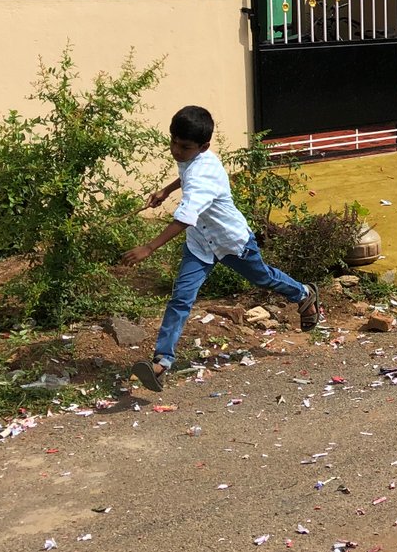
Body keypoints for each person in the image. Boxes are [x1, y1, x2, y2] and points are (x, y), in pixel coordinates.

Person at [119, 105, 324, 391]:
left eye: (184, 146)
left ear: (203, 146)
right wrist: (167, 190)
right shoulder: (191, 156)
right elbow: (185, 174)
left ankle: (303, 293)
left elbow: (185, 217)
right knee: (181, 299)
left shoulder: (204, 173)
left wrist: (149, 247)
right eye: (173, 142)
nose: (176, 151)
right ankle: (161, 363)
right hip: (201, 245)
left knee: (263, 278)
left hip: (231, 243)